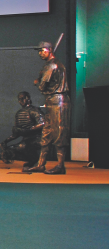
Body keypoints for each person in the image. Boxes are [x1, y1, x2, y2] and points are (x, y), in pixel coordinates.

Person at [25, 40, 71, 175]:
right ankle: (41, 164)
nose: (40, 53)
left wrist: (37, 81)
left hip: (58, 101)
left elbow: (41, 86)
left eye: (42, 50)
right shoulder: (52, 65)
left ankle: (60, 166)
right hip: (52, 101)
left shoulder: (52, 65)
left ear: (49, 50)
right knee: (47, 132)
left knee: (59, 133)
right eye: (39, 51)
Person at [0, 91, 45, 169]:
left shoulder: (34, 110)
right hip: (26, 140)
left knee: (26, 146)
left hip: (37, 139)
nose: (21, 101)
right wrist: (6, 141)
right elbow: (16, 134)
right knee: (8, 152)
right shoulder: (19, 113)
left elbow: (43, 123)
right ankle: (32, 160)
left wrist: (30, 129)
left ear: (27, 98)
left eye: (22, 99)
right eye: (19, 99)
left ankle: (35, 160)